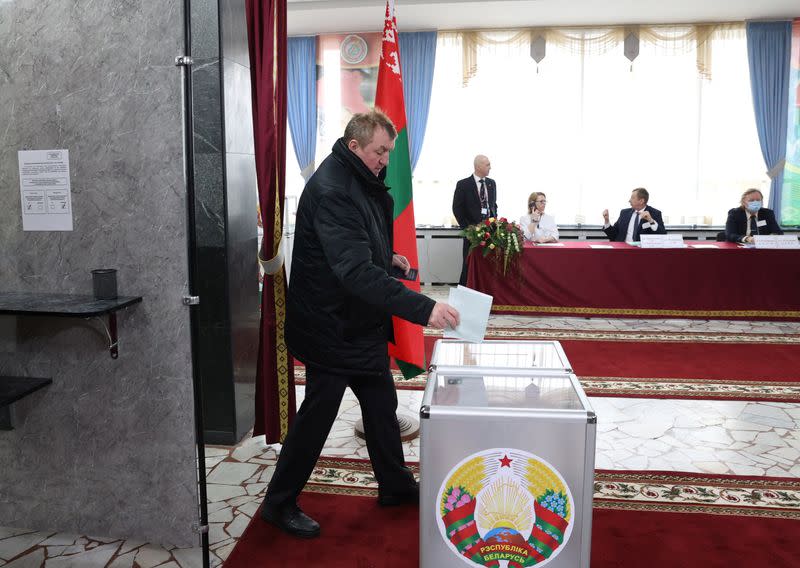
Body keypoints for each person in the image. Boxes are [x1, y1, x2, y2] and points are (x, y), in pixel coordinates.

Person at [258, 109, 460, 538]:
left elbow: (353, 243)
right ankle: (278, 504)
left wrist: (386, 257)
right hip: (330, 328)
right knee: (316, 419)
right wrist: (425, 309)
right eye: (380, 151)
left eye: (388, 150)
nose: (386, 159)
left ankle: (395, 487)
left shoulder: (353, 176)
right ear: (355, 146)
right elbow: (353, 272)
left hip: (356, 325)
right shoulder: (332, 188)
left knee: (381, 409)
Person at [452, 155, 498, 285]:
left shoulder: (491, 183)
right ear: (478, 166)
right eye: (488, 165)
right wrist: (468, 230)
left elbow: (493, 205)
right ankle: (464, 294)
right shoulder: (463, 184)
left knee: (489, 265)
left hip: (491, 232)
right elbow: (457, 209)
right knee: (468, 265)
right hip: (472, 233)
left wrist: (495, 222)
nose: (490, 167)